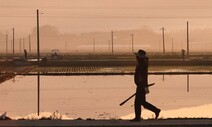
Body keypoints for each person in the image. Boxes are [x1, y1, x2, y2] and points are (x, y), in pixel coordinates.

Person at [131, 49, 161, 122]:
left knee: (137, 102)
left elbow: (142, 76)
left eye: (137, 56)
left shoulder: (142, 65)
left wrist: (142, 85)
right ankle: (156, 110)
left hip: (141, 85)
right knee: (142, 102)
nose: (136, 58)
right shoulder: (141, 64)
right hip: (141, 85)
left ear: (139, 57)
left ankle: (138, 117)